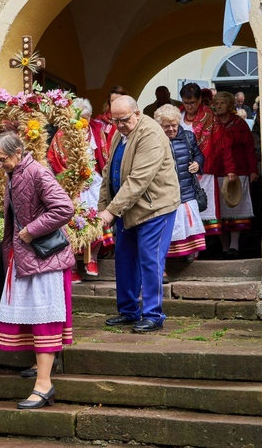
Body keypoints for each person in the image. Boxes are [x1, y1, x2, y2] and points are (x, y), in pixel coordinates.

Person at [0, 131, 74, 410]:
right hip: (28, 258)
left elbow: (64, 208)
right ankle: (42, 371)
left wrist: (30, 231)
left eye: (1, 160)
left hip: (44, 259)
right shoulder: (14, 174)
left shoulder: (37, 172)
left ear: (17, 153)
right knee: (34, 318)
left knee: (44, 320)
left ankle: (44, 385)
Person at [98, 96, 180, 333]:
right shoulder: (119, 134)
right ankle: (128, 311)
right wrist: (103, 207)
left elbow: (138, 180)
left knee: (150, 259)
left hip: (155, 208)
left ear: (137, 113)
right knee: (124, 260)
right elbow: (108, 171)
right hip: (127, 209)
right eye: (115, 120)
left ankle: (153, 315)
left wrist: (111, 211)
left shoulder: (151, 134)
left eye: (124, 119)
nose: (119, 125)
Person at [47, 97, 106, 277]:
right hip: (69, 183)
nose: (83, 121)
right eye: (79, 116)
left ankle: (92, 259)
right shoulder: (61, 135)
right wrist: (72, 178)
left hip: (93, 183)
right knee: (70, 223)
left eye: (86, 117)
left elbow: (103, 158)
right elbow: (53, 159)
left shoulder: (96, 132)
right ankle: (71, 266)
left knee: (96, 218)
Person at [179, 82, 234, 238]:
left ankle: (205, 246)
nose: (189, 106)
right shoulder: (177, 115)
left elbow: (222, 144)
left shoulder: (210, 117)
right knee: (184, 209)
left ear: (200, 100)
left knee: (204, 206)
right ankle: (190, 244)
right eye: (186, 102)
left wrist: (229, 168)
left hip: (204, 170)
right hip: (181, 171)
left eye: (193, 103)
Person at [155, 105, 207, 262]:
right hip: (165, 192)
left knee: (187, 223)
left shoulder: (188, 137)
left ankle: (189, 255)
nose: (171, 129)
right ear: (159, 126)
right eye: (166, 126)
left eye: (174, 125)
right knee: (169, 227)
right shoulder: (155, 140)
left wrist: (197, 164)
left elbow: (199, 155)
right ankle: (167, 259)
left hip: (186, 189)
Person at [214, 92, 258, 259]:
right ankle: (224, 247)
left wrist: (253, 170)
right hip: (216, 171)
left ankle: (234, 246)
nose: (218, 106)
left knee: (236, 207)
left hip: (239, 171)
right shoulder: (211, 124)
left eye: (222, 103)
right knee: (219, 210)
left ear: (230, 105)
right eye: (216, 103)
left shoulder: (239, 124)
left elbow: (249, 148)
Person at [93, 85, 129, 151]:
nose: (116, 103)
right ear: (109, 102)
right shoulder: (99, 122)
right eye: (113, 100)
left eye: (119, 100)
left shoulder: (131, 120)